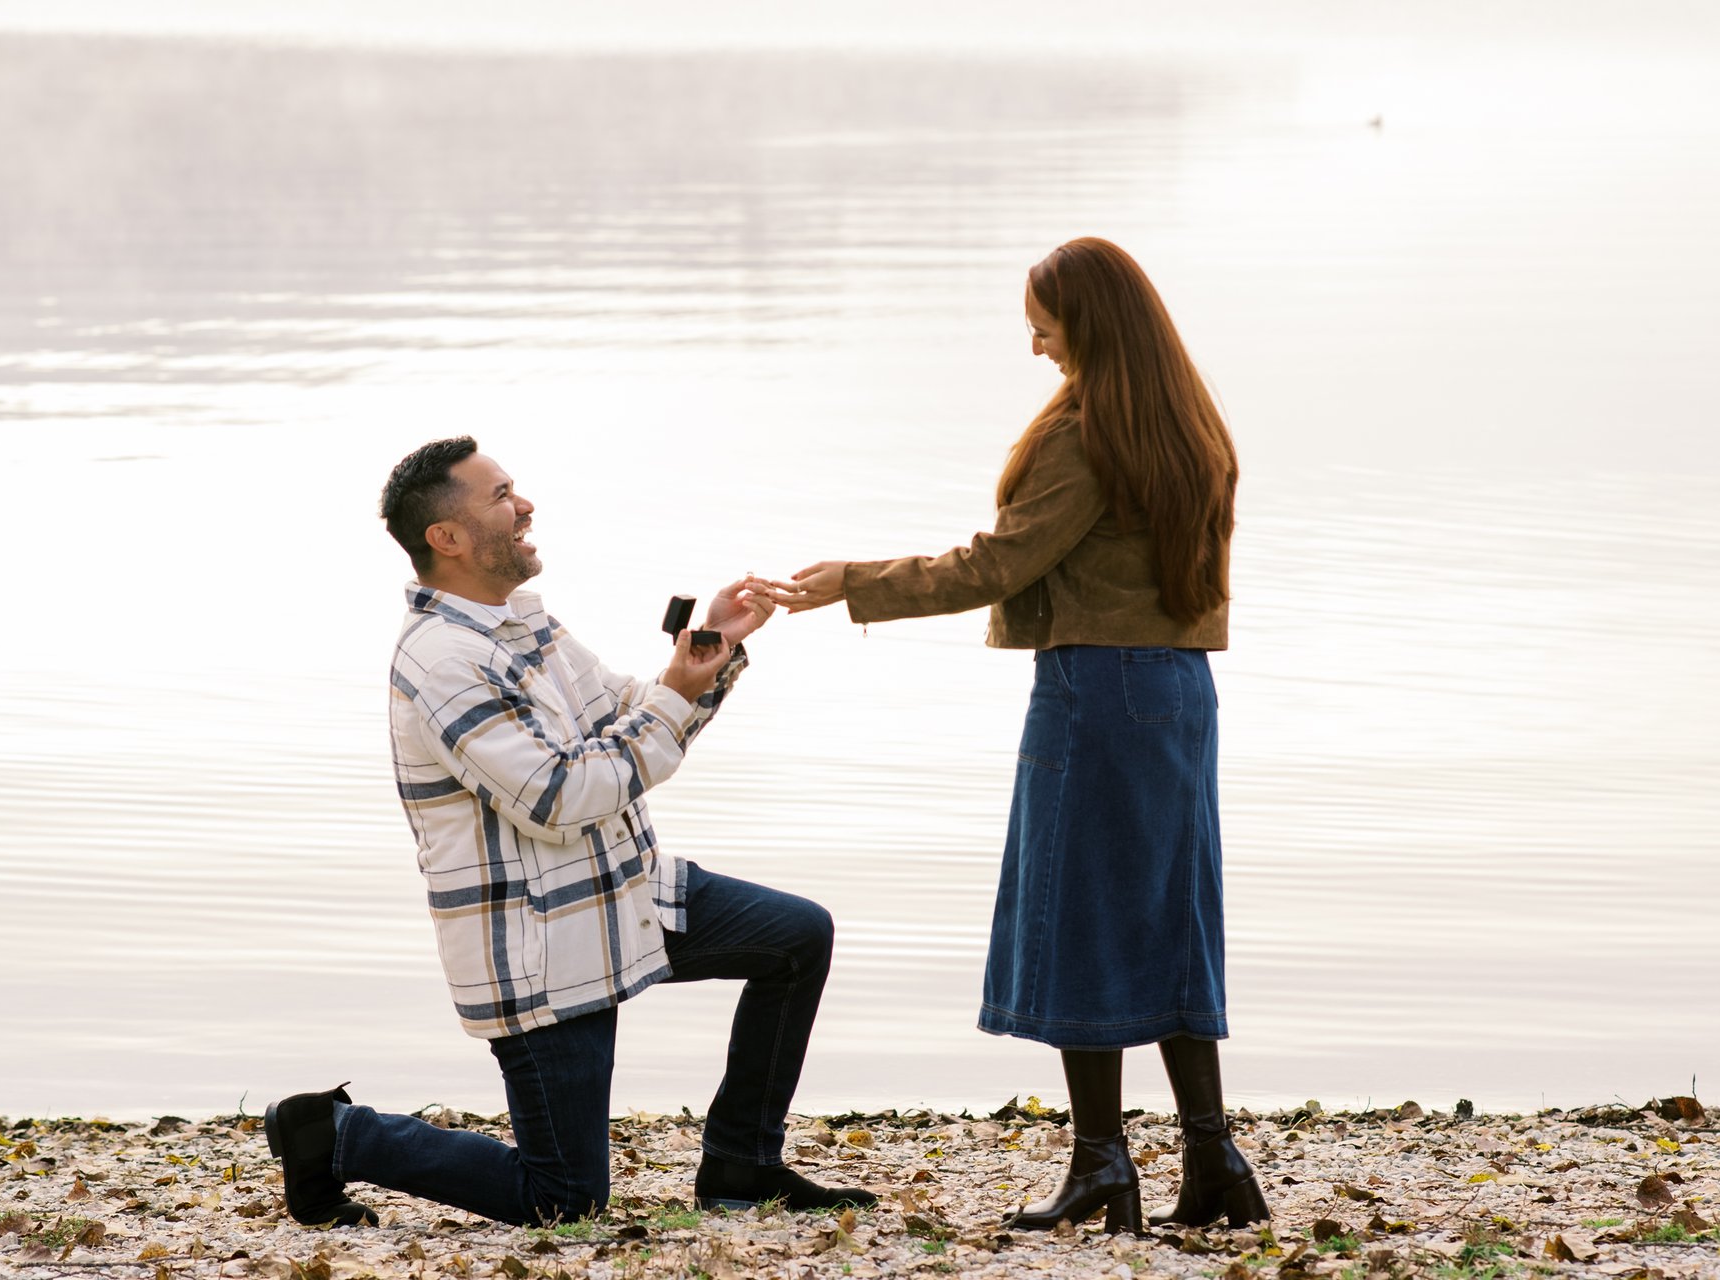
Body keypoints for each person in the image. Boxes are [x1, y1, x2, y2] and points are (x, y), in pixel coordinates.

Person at [775, 238, 1267, 1234]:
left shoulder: (1088, 433)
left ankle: (1101, 1164)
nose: (1036, 345)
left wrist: (852, 582)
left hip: (1097, 689)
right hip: (1180, 687)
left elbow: (994, 566)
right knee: (1171, 916)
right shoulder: (1187, 420)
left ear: (1092, 324)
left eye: (1045, 326)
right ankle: (1212, 1156)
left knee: (1080, 914)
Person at [263, 436, 876, 1228]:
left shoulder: (521, 623)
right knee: (561, 1199)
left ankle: (741, 1164)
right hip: (543, 947)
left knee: (796, 938)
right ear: (446, 538)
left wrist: (714, 649)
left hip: (624, 892)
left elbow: (627, 712)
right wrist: (672, 699)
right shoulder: (443, 661)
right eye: (500, 496)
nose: (524, 506)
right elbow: (558, 796)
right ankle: (333, 1132)